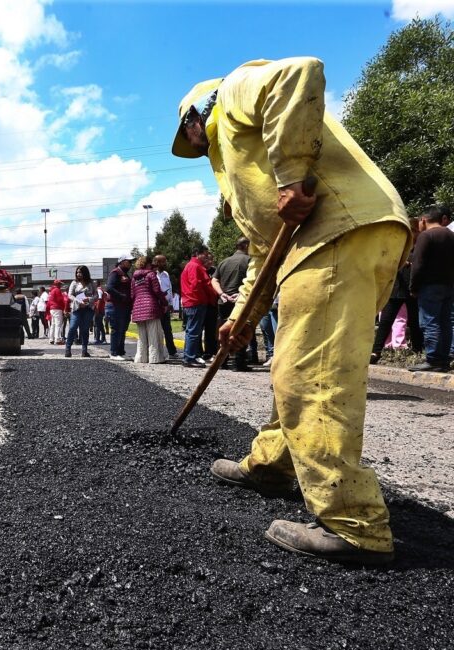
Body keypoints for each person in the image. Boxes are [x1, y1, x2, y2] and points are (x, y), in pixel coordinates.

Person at [173, 56, 411, 564]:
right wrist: (240, 318)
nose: (195, 149)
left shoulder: (233, 91)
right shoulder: (240, 161)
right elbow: (265, 253)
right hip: (339, 238)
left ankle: (353, 524)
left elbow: (299, 72)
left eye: (189, 138)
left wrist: (291, 176)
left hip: (337, 231)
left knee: (310, 375)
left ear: (194, 118)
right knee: (296, 365)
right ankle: (273, 465)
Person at [408, 205, 454, 372]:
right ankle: (444, 360)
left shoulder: (426, 236)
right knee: (446, 322)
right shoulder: (451, 235)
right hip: (448, 286)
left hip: (429, 286)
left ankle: (433, 359)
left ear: (423, 220)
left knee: (430, 322)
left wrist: (413, 286)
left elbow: (418, 264)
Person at [371, 216, 422, 364]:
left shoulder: (420, 246)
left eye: (414, 231)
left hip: (413, 289)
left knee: (415, 322)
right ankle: (376, 351)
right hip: (396, 288)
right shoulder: (397, 246)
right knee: (386, 321)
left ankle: (418, 349)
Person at [216, 237, 254, 371]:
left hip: (224, 301)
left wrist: (221, 294)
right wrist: (241, 294)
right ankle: (239, 362)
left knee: (224, 330)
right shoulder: (249, 261)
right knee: (240, 330)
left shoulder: (223, 262)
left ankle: (222, 361)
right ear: (246, 246)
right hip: (240, 301)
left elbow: (214, 280)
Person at [179, 247, 217, 368]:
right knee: (194, 331)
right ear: (197, 254)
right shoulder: (195, 266)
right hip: (196, 302)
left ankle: (189, 356)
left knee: (191, 331)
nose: (206, 257)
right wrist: (205, 298)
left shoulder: (191, 265)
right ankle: (190, 358)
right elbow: (196, 284)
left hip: (192, 301)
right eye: (204, 254)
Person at [130, 254, 169, 364]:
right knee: (154, 334)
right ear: (147, 264)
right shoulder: (151, 274)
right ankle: (155, 358)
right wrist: (165, 302)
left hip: (138, 308)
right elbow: (157, 291)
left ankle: (141, 358)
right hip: (151, 307)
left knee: (142, 336)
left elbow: (132, 295)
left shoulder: (134, 278)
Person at [64, 266, 96, 358]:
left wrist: (88, 299)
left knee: (85, 329)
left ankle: (84, 350)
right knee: (72, 327)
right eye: (77, 272)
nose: (78, 274)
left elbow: (96, 295)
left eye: (80, 272)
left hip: (88, 308)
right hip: (76, 308)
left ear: (85, 273)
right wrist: (79, 301)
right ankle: (68, 349)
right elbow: (70, 295)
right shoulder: (74, 283)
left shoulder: (92, 283)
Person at [105, 255, 133, 360]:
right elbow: (109, 288)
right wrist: (122, 296)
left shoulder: (126, 275)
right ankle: (114, 353)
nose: (130, 264)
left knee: (123, 329)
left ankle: (121, 351)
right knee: (116, 329)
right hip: (115, 306)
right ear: (121, 262)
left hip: (125, 307)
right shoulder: (115, 273)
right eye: (128, 261)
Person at [152, 254, 177, 357]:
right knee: (156, 331)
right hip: (156, 306)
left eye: (165, 261)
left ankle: (172, 352)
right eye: (162, 262)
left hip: (166, 306)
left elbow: (169, 289)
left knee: (168, 330)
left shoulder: (166, 274)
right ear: (156, 262)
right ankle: (157, 353)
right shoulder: (152, 274)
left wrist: (170, 303)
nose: (165, 263)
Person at [47, 279, 67, 344]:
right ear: (58, 284)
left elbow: (49, 301)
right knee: (58, 324)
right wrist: (64, 308)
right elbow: (60, 300)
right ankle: (57, 339)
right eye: (60, 284)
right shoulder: (57, 290)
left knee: (53, 324)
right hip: (57, 308)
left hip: (52, 309)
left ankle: (51, 339)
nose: (61, 285)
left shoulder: (52, 291)